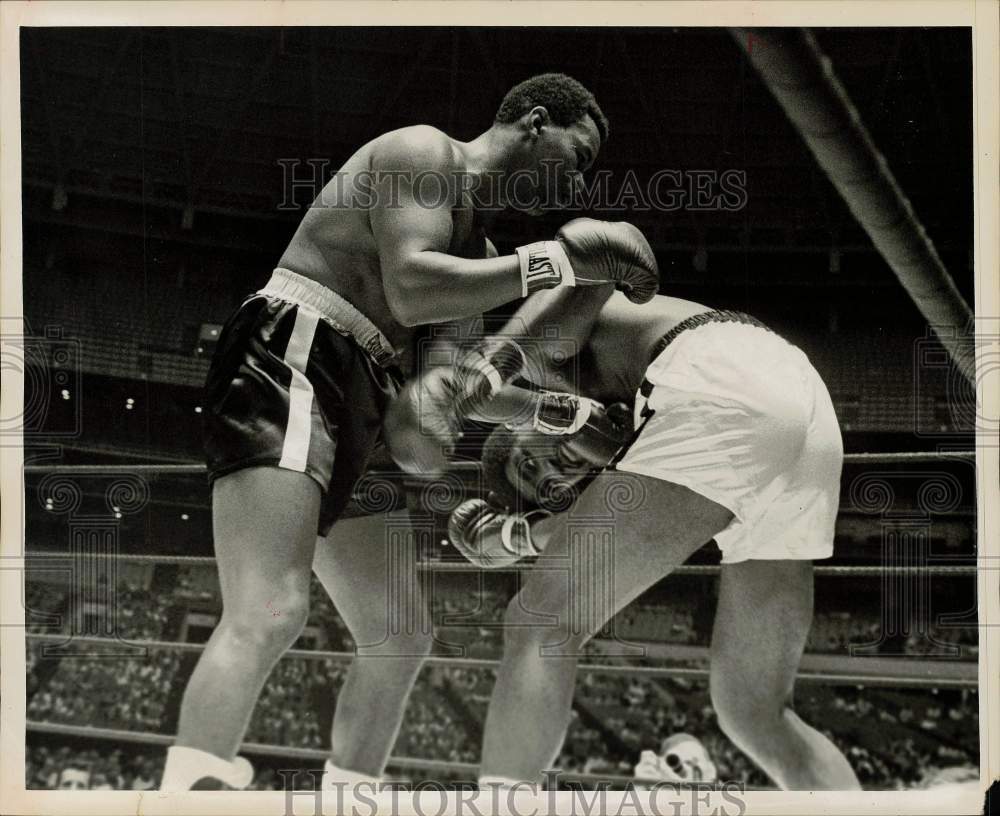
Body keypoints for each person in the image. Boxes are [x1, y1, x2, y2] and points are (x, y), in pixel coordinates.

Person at [160, 72, 661, 791]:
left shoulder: (477, 246)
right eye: (575, 158)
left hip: (364, 388)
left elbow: (447, 396)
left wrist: (568, 415)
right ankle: (190, 797)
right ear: (534, 122)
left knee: (398, 636)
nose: (576, 185)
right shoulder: (424, 155)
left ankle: (351, 796)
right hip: (298, 347)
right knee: (270, 608)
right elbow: (411, 285)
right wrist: (558, 262)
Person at [389, 281, 862, 790]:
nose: (558, 479)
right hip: (798, 399)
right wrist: (515, 536)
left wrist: (468, 383)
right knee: (754, 710)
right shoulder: (598, 423)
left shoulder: (542, 368)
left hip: (716, 369)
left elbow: (589, 280)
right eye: (551, 486)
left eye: (534, 470)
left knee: (542, 621)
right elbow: (616, 516)